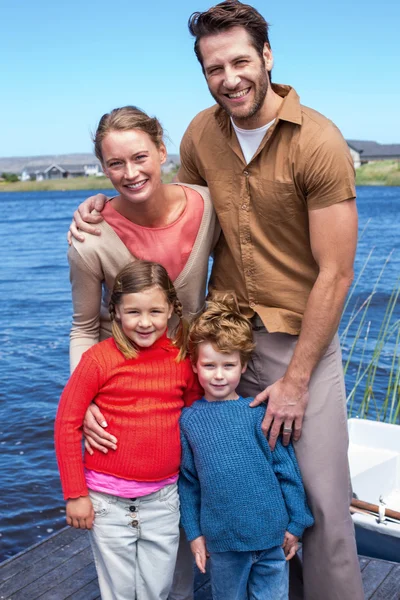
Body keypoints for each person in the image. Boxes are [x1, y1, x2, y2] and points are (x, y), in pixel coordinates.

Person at [68, 3, 364, 600]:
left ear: (267, 58)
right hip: (218, 340)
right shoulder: (203, 133)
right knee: (206, 479)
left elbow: (335, 273)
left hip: (294, 342)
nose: (229, 78)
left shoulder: (321, 142)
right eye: (213, 67)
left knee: (320, 498)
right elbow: (169, 200)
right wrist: (103, 201)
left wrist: (300, 377)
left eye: (240, 61)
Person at [55, 261, 203, 600]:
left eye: (155, 311)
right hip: (106, 502)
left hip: (163, 499)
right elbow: (67, 423)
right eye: (133, 311)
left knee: (157, 588)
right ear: (117, 311)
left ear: (170, 309)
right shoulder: (97, 360)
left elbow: (195, 417)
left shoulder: (182, 359)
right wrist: (75, 494)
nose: (145, 321)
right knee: (118, 591)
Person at [179, 293, 314, 600]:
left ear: (242, 367)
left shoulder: (258, 414)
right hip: (223, 545)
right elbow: (188, 485)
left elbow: (286, 471)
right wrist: (195, 534)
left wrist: (297, 523)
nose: (218, 374)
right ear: (195, 366)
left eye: (228, 365)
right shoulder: (189, 421)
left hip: (272, 539)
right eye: (209, 365)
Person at [68, 105, 219, 372]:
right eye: (116, 163)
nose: (130, 173)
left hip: (191, 375)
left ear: (161, 152)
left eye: (139, 157)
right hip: (120, 379)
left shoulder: (208, 207)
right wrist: (83, 396)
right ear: (104, 168)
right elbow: (84, 329)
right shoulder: (90, 237)